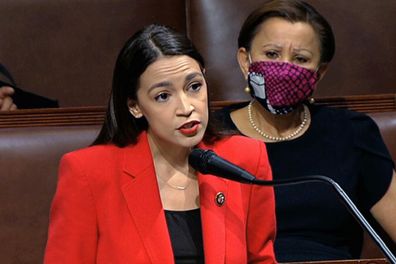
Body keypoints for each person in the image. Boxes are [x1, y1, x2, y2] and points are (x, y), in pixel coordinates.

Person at [44, 24, 277, 263]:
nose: (187, 108)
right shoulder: (88, 173)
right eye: (163, 96)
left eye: (194, 86)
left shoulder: (245, 158)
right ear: (134, 106)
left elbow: (262, 260)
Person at [214, 0, 396, 262]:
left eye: (300, 59)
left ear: (319, 73)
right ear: (245, 61)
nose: (285, 69)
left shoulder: (351, 133)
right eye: (272, 54)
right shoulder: (211, 138)